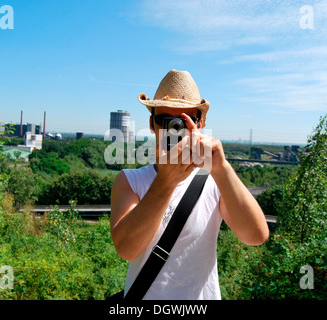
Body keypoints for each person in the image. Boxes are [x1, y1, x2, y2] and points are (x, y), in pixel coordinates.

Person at [110, 69, 269, 300]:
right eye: (166, 121)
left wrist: (221, 168)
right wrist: (165, 181)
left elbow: (256, 236)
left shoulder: (215, 181)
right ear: (152, 124)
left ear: (200, 123)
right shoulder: (130, 181)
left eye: (183, 121)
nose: (174, 129)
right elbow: (127, 249)